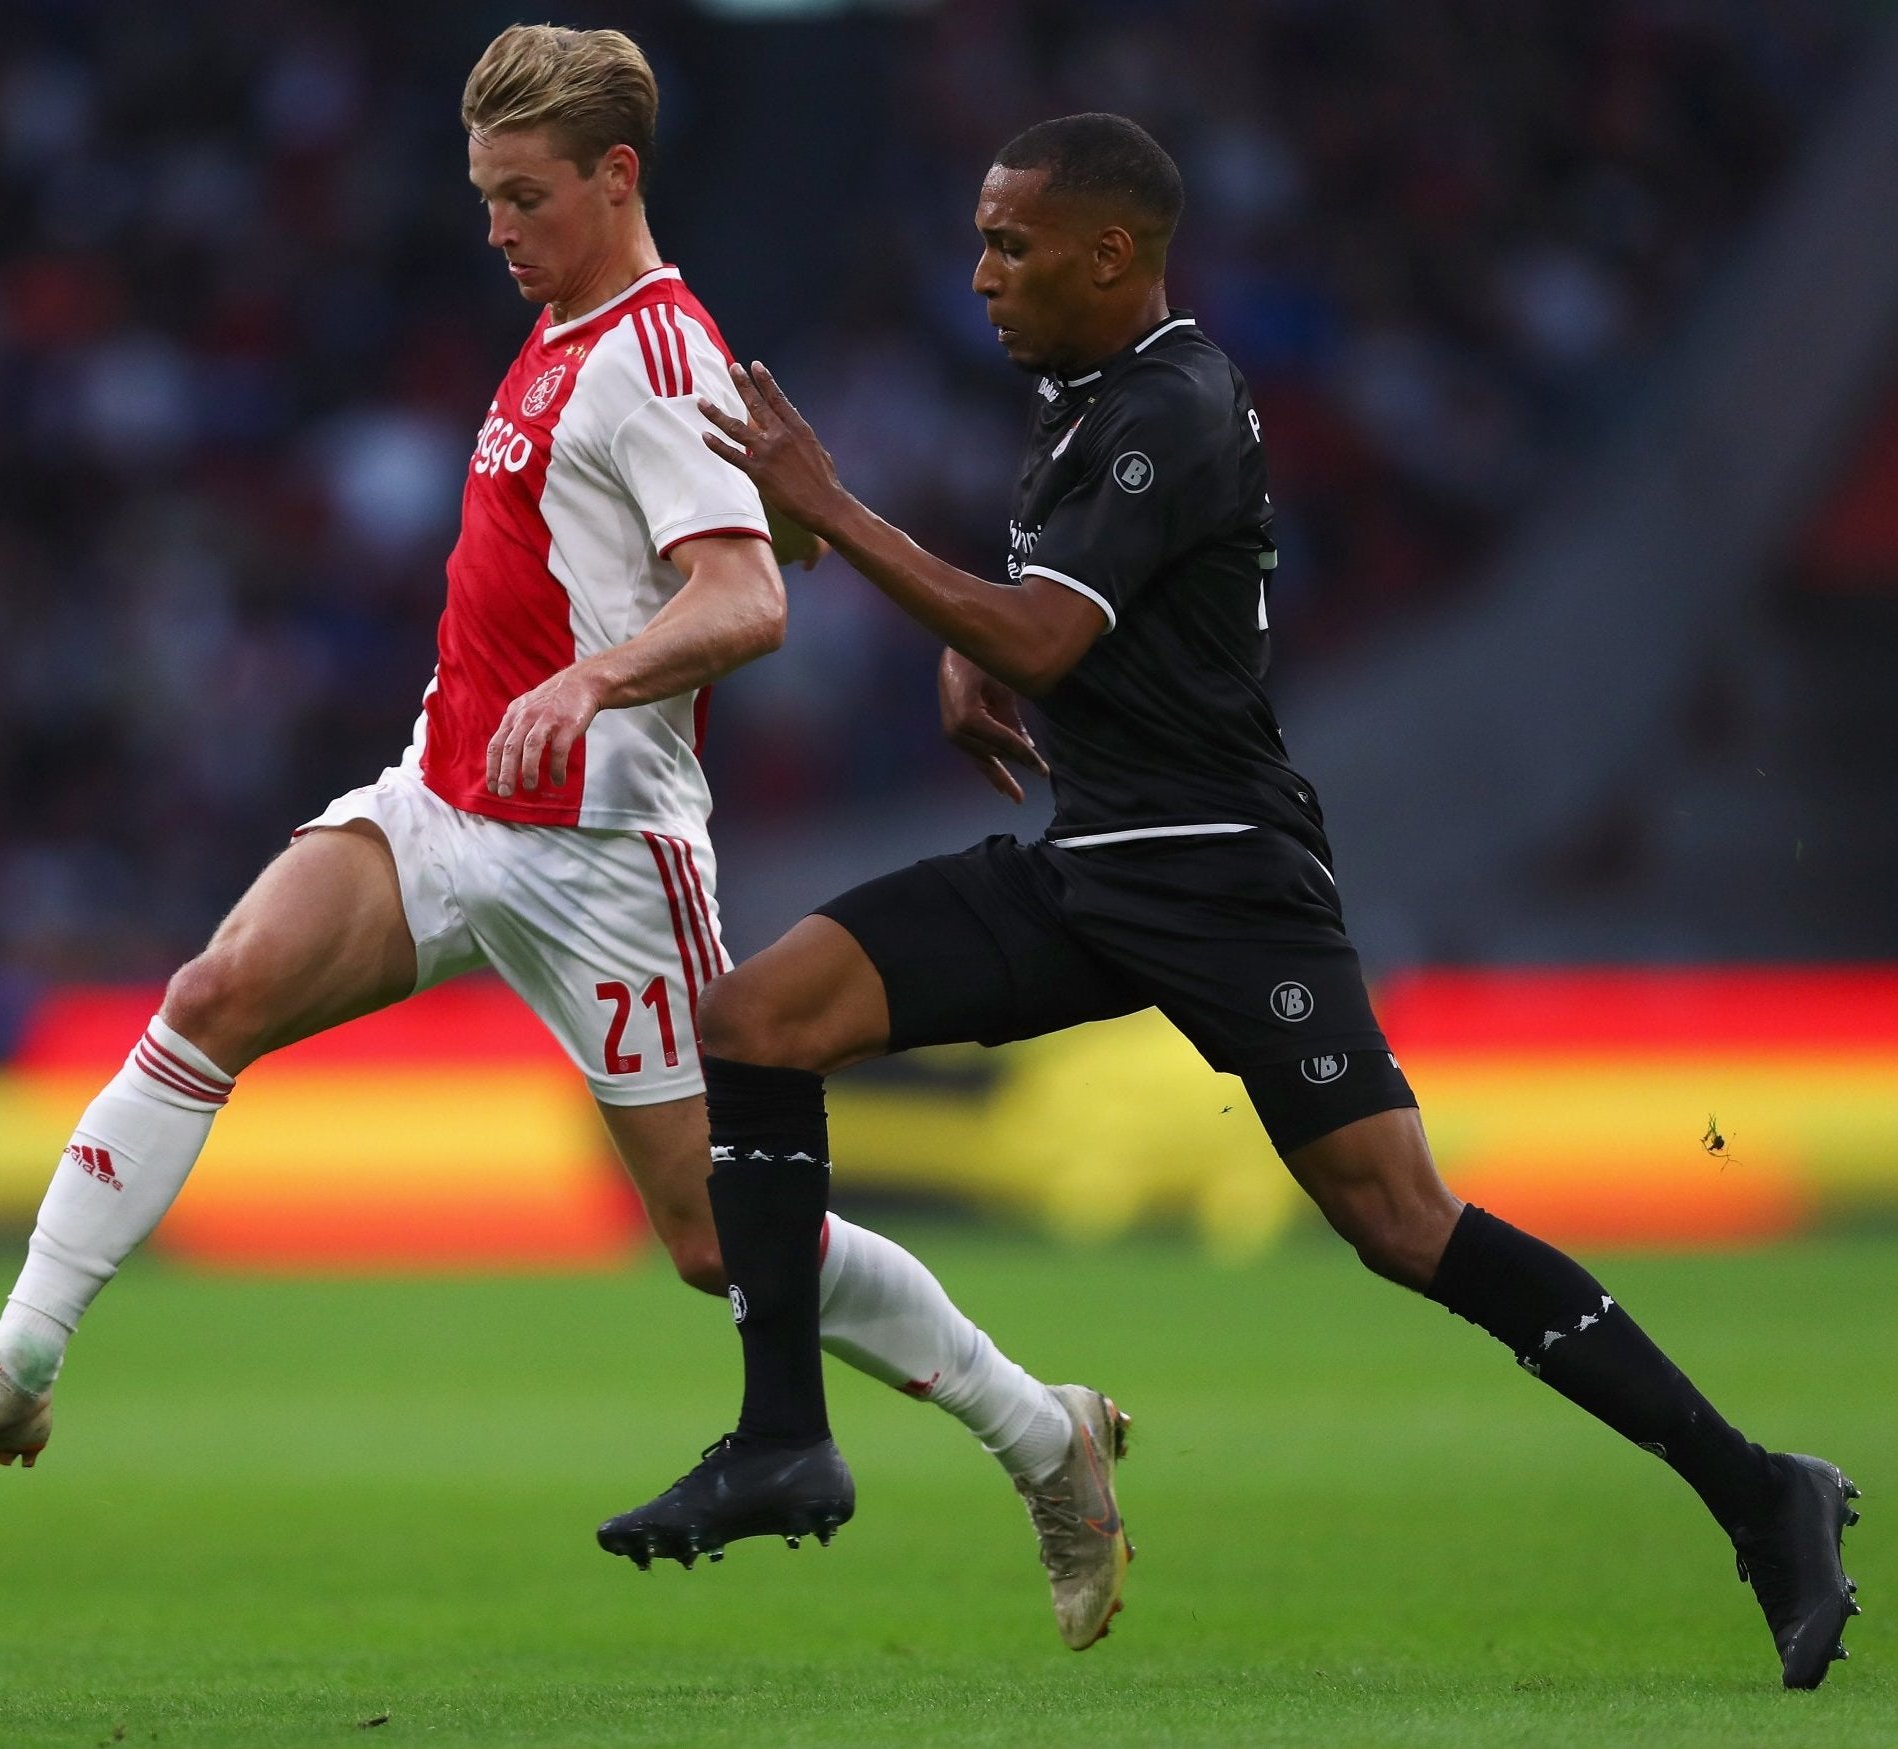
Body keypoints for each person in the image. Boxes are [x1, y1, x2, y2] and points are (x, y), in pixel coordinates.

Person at [596, 112, 1863, 1691]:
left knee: (1403, 1223)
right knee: (757, 1014)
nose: (980, 272)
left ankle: (1761, 1492)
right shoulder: (1082, 402)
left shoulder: (1173, 404)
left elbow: (1053, 634)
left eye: (1011, 243)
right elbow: (1050, 614)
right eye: (980, 237)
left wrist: (839, 513)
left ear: (1112, 252)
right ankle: (784, 1432)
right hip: (1089, 863)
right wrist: (967, 648)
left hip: (1222, 876)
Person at [0, 27, 1129, 1652]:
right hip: (441, 798)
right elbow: (716, 534)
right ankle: (20, 1365)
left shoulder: (653, 353)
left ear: (614, 178)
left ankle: (1042, 1434)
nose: (495, 229)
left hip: (602, 856)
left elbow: (746, 599)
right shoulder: (565, 325)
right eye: (485, 196)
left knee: (720, 1240)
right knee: (213, 992)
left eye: (523, 198)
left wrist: (599, 670)